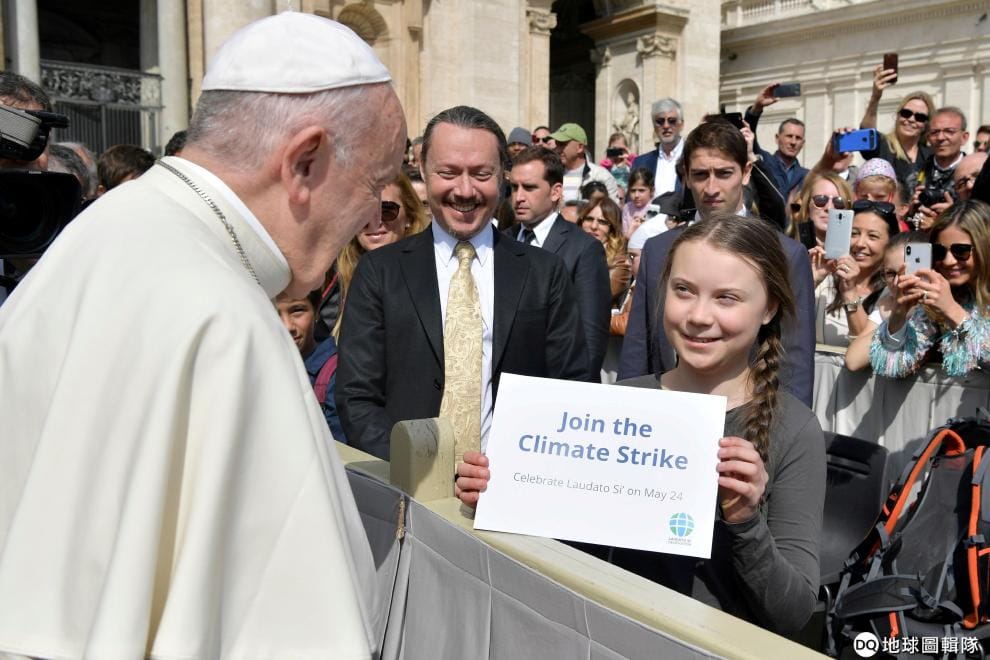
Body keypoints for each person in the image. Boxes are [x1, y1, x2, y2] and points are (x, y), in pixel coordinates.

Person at [0, 13, 406, 659]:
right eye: (376, 183)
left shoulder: (101, 229)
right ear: (304, 162)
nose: (371, 214)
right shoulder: (229, 323)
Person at [456, 215, 826, 635]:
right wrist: (499, 498)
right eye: (683, 290)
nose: (699, 315)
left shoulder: (793, 430)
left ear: (769, 308)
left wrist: (744, 519)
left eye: (727, 298)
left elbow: (792, 612)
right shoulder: (616, 407)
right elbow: (568, 554)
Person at [335, 105, 588, 461]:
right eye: (448, 173)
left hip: (512, 481)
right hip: (408, 482)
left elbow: (572, 389)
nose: (465, 190)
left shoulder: (545, 273)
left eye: (481, 174)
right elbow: (356, 397)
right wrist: (418, 470)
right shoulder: (380, 272)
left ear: (501, 176)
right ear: (424, 172)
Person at [618, 120, 816, 407]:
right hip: (665, 412)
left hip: (750, 417)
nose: (711, 188)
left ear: (746, 172)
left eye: (724, 173)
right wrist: (627, 412)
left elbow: (795, 358)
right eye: (700, 175)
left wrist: (786, 430)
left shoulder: (786, 254)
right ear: (686, 177)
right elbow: (638, 347)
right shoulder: (658, 250)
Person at [508, 146, 610, 380]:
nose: (519, 197)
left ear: (555, 192)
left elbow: (591, 340)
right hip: (505, 389)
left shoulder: (584, 249)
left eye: (529, 187)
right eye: (514, 187)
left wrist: (571, 395)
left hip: (558, 387)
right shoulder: (502, 241)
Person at [871, 199, 990, 377]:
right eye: (940, 252)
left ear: (984, 248)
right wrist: (899, 315)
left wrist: (953, 311)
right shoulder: (936, 297)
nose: (948, 261)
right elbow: (893, 367)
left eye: (961, 251)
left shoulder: (946, 301)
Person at [330, 171, 429, 336]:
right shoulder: (336, 276)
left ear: (409, 216)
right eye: (363, 212)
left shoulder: (431, 273)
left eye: (387, 210)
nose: (375, 222)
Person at [809, 199, 899, 346]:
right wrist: (812, 280)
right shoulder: (825, 280)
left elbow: (869, 349)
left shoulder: (893, 291)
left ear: (890, 242)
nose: (860, 243)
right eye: (854, 234)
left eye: (873, 236)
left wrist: (850, 293)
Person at [845, 230, 926, 371]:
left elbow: (904, 366)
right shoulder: (888, 303)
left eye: (906, 272)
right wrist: (894, 317)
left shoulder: (934, 308)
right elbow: (853, 361)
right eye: (890, 274)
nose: (897, 282)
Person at [276, 289, 346, 442]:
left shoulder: (334, 374)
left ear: (316, 311)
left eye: (297, 310)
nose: (287, 326)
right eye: (274, 314)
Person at [859, 68, 935, 189]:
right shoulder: (883, 145)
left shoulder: (930, 154)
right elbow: (865, 135)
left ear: (926, 124)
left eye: (920, 117)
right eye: (906, 113)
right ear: (898, 115)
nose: (911, 119)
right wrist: (875, 97)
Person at [744, 84, 809, 200]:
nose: (793, 142)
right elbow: (748, 136)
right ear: (777, 138)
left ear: (803, 144)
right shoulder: (763, 161)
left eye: (798, 138)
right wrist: (756, 109)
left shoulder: (807, 175)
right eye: (789, 136)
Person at [577, 197, 631, 307]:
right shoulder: (570, 249)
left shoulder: (620, 262)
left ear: (612, 228)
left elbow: (599, 297)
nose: (594, 226)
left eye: (602, 222)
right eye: (589, 219)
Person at [550, 122, 620, 203]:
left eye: (562, 144)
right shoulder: (552, 175)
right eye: (557, 144)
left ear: (580, 147)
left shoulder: (602, 176)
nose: (558, 149)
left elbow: (612, 208)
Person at [630, 97, 685, 198]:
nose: (666, 126)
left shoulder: (693, 158)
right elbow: (631, 201)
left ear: (681, 124)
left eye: (672, 121)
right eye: (660, 121)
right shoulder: (640, 163)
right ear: (654, 127)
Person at [789, 171, 853, 250]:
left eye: (839, 202)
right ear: (807, 206)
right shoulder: (787, 250)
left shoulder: (856, 251)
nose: (829, 208)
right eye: (820, 200)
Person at [622, 166, 655, 238]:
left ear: (652, 190)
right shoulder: (627, 208)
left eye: (641, 190)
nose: (636, 195)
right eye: (633, 190)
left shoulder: (654, 207)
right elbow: (625, 234)